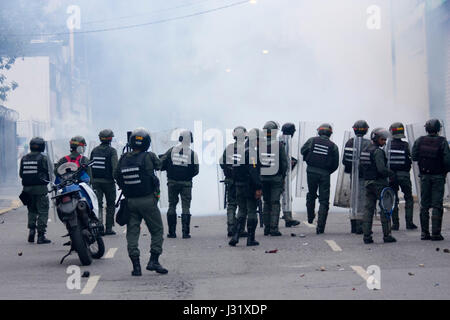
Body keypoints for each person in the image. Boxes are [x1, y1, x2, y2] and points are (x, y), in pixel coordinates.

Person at [115, 128, 167, 276]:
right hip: (148, 201)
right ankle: (154, 261)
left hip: (130, 201)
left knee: (132, 234)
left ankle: (136, 267)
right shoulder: (149, 156)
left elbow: (116, 175)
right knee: (157, 231)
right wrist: (166, 156)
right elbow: (160, 165)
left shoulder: (123, 158)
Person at [412, 119, 450, 241]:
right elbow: (447, 161)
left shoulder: (419, 140)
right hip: (438, 176)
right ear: (438, 129)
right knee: (436, 205)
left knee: (424, 205)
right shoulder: (442, 141)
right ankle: (436, 234)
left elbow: (414, 156)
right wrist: (444, 171)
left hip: (424, 177)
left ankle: (424, 233)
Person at [300, 123, 339, 234]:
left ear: (319, 132)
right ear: (330, 134)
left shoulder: (312, 140)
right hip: (325, 174)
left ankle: (310, 217)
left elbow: (302, 150)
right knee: (324, 200)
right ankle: (320, 228)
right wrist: (326, 172)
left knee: (311, 194)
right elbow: (335, 164)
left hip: (311, 171)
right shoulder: (333, 146)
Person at [160, 130, 199, 239]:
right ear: (190, 140)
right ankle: (185, 233)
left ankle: (172, 232)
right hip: (186, 184)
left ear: (180, 138)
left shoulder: (171, 151)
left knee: (172, 205)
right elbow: (196, 170)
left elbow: (161, 163)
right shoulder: (193, 154)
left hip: (172, 182)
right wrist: (187, 177)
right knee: (186, 207)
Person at [360, 128, 396, 244]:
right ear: (376, 139)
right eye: (382, 139)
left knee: (368, 209)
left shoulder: (365, 150)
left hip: (368, 183)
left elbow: (361, 168)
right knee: (385, 208)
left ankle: (366, 236)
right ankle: (387, 235)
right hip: (379, 183)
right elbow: (381, 169)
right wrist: (391, 174)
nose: (384, 142)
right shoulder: (378, 152)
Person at [228, 128, 262, 246]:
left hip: (238, 185)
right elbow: (253, 171)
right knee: (252, 211)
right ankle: (250, 239)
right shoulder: (251, 152)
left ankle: (236, 236)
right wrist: (258, 187)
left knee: (241, 211)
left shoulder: (239, 151)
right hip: (249, 186)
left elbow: (233, 169)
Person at [19, 137, 51, 244]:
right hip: (41, 189)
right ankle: (41, 236)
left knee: (31, 211)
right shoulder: (44, 158)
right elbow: (50, 173)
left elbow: (21, 174)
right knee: (43, 212)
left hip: (27, 190)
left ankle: (31, 232)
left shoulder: (24, 158)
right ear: (42, 146)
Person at [342, 120, 371, 234]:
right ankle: (361, 227)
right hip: (365, 176)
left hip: (353, 176)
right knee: (363, 200)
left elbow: (345, 161)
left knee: (354, 199)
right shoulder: (369, 143)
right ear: (366, 130)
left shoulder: (349, 142)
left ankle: (354, 226)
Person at [387, 122, 417, 230]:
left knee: (393, 199)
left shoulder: (387, 145)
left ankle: (395, 224)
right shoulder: (406, 145)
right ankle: (409, 223)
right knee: (408, 198)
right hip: (404, 175)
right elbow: (413, 157)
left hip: (391, 176)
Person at [260, 121, 288, 236]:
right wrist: (282, 176)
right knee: (275, 202)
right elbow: (284, 163)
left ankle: (266, 228)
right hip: (276, 178)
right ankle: (273, 228)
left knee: (266, 202)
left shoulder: (259, 145)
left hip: (263, 178)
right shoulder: (279, 145)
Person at [220, 127, 248, 238]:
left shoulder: (229, 148)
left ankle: (231, 227)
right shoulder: (248, 148)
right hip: (243, 181)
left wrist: (229, 171)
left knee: (231, 204)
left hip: (230, 181)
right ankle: (240, 229)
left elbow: (222, 162)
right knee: (243, 205)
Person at [90, 129, 118, 235]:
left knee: (98, 204)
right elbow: (115, 167)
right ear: (110, 139)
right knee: (110, 204)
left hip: (95, 182)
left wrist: (91, 181)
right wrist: (118, 180)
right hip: (109, 182)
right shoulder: (112, 151)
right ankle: (109, 228)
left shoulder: (94, 150)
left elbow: (90, 166)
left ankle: (99, 227)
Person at [280, 123, 300, 227]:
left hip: (277, 173)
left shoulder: (279, 140)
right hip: (280, 174)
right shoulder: (284, 141)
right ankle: (287, 218)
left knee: (285, 197)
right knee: (284, 197)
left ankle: (286, 218)